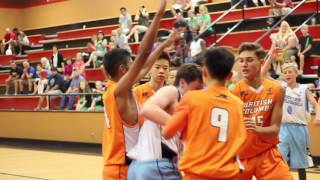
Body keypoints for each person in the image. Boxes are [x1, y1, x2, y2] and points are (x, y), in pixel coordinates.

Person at [101, 1, 168, 179]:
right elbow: (144, 54)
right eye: (131, 64)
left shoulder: (118, 87)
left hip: (128, 167)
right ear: (122, 69)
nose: (135, 67)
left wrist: (164, 45)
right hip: (120, 169)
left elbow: (145, 66)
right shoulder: (118, 91)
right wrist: (158, 16)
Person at [162, 47, 247, 179]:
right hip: (229, 175)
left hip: (198, 174)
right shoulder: (238, 104)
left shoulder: (191, 98)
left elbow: (167, 132)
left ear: (204, 72)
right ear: (230, 76)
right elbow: (242, 140)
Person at [127, 64, 203, 180]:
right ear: (182, 83)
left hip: (139, 168)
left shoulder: (189, 107)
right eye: (196, 89)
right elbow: (147, 109)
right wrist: (178, 125)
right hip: (156, 165)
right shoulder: (173, 91)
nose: (199, 93)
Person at [231, 42, 292, 180]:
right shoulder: (234, 91)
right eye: (241, 61)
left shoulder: (277, 89)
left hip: (267, 152)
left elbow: (275, 129)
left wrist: (256, 129)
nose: (244, 64)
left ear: (260, 62)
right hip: (240, 155)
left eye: (249, 60)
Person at [278, 63, 320, 180]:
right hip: (283, 127)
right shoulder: (281, 87)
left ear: (296, 73)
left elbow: (315, 104)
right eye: (285, 72)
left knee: (301, 163)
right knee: (281, 160)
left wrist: (318, 117)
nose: (287, 74)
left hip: (300, 128)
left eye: (290, 72)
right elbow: (264, 77)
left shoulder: (304, 89)